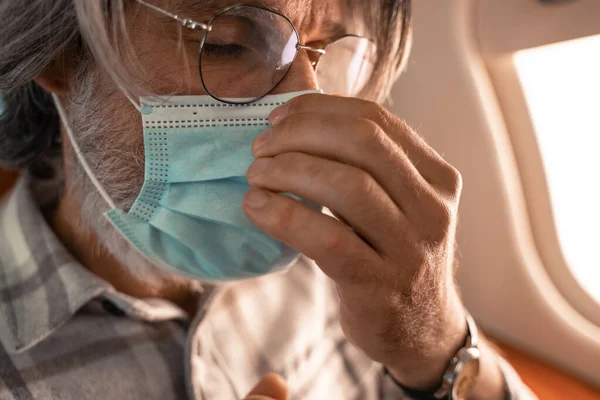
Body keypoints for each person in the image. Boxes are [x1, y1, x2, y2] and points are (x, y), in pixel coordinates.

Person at [0, 0, 537, 399]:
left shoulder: (355, 269)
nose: (304, 99)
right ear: (62, 52)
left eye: (322, 52)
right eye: (230, 42)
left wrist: (436, 344)